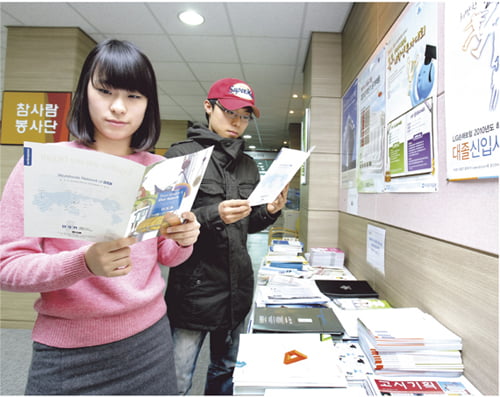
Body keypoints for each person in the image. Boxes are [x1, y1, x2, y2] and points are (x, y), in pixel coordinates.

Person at [0, 39, 200, 395]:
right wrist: (84, 263)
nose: (119, 107)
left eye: (134, 96)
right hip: (66, 351)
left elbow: (167, 256)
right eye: (105, 91)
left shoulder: (160, 169)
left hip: (149, 340)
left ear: (148, 104)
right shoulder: (44, 164)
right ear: (84, 92)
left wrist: (183, 238)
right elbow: (7, 267)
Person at [164, 78, 289, 395]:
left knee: (226, 372)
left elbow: (250, 223)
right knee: (177, 377)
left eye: (245, 116)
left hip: (237, 288)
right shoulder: (182, 157)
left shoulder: (247, 164)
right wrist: (212, 214)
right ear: (208, 107)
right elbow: (163, 226)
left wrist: (271, 210)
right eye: (230, 112)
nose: (237, 121)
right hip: (194, 288)